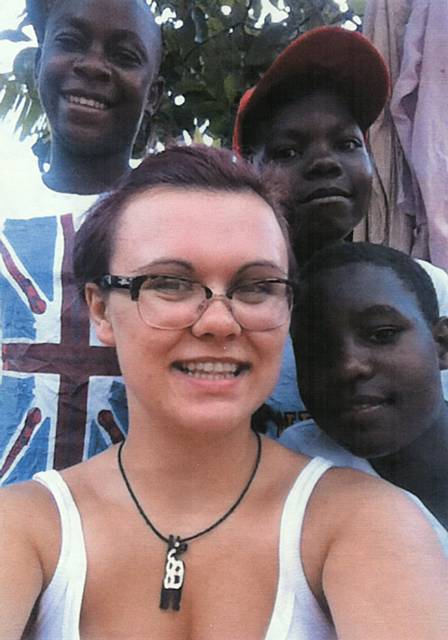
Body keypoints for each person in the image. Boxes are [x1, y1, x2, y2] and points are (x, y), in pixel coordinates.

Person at [1, 145, 447, 639]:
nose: (219, 321)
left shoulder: (366, 522)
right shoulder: (25, 529)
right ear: (101, 310)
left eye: (256, 287)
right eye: (170, 283)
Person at [232, 26, 448, 433]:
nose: (325, 163)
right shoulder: (227, 311)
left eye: (348, 143)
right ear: (249, 175)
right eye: (288, 151)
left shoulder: (427, 291)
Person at [0, 0, 164, 484]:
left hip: (136, 531)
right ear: (36, 64)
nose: (93, 65)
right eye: (70, 43)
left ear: (152, 95)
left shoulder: (178, 220)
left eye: (125, 55)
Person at [281, 242, 448, 535]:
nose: (349, 366)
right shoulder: (295, 478)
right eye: (316, 348)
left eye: (381, 334)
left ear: (442, 344)